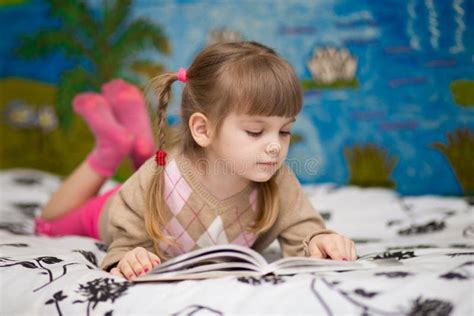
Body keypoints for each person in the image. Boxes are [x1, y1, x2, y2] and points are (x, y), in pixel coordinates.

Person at [36, 41, 356, 280]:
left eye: (284, 131)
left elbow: (303, 228)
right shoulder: (157, 178)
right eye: (256, 131)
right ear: (202, 129)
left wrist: (320, 240)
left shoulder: (277, 179)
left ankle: (140, 145)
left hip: (162, 194)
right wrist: (127, 255)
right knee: (47, 224)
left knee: (158, 177)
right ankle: (109, 149)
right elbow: (127, 236)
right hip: (116, 206)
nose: (275, 147)